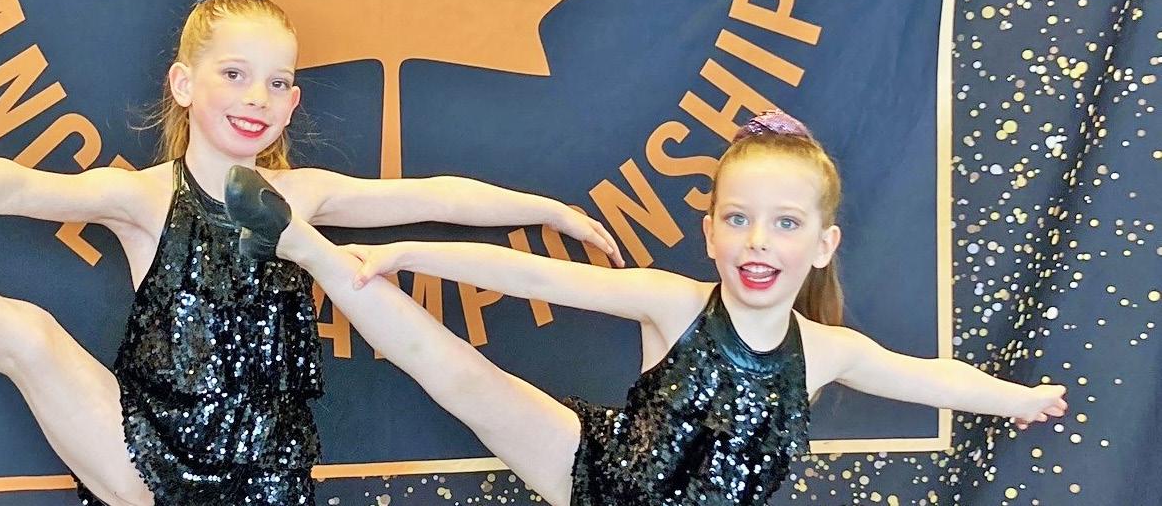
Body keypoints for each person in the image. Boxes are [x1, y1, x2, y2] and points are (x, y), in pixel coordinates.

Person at [0, 0, 622, 506]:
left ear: (292, 103)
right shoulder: (144, 197)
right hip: (145, 455)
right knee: (24, 334)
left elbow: (433, 195)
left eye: (278, 82)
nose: (257, 97)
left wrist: (546, 208)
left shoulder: (301, 196)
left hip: (266, 480)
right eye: (234, 74)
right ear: (184, 83)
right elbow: (19, 186)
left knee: (25, 334)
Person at [223, 110, 1070, 506]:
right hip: (596, 472)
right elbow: (532, 277)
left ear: (822, 244)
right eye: (737, 219)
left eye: (784, 224)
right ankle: (310, 248)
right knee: (458, 373)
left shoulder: (828, 351)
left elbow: (933, 377)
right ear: (709, 231)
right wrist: (408, 252)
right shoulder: (674, 302)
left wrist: (1020, 397)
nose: (757, 241)